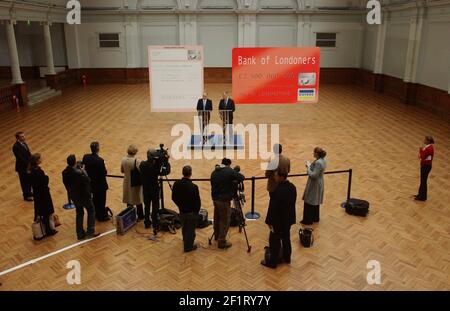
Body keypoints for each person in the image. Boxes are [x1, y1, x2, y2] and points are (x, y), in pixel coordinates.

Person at [261, 170, 296, 268]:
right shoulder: (293, 187)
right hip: (288, 219)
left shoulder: (277, 191)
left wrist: (268, 221)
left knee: (274, 241)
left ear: (281, 177)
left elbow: (272, 208)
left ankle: (272, 263)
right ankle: (287, 258)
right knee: (286, 239)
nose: (274, 178)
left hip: (277, 221)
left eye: (276, 176)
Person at [62, 155, 99, 240]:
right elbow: (88, 180)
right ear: (74, 162)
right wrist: (82, 170)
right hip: (84, 195)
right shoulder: (79, 173)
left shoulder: (64, 172)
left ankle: (79, 233)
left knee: (79, 213)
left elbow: (66, 184)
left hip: (74, 196)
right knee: (91, 210)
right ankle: (91, 231)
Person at [210, 158, 245, 249]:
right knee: (225, 220)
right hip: (224, 200)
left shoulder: (214, 172)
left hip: (215, 199)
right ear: (228, 165)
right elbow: (241, 177)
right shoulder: (228, 171)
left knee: (217, 218)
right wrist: (233, 173)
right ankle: (222, 242)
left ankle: (217, 235)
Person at [172, 165, 201, 252]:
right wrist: (196, 211)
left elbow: (173, 197)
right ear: (190, 174)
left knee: (184, 227)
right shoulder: (194, 187)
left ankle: (186, 241)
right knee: (191, 231)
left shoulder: (176, 184)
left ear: (182, 173)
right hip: (191, 212)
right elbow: (197, 202)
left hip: (182, 211)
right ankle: (188, 247)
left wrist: (180, 205)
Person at [29, 153, 57, 237]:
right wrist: (46, 177)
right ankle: (49, 230)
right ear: (37, 161)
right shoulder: (39, 171)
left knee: (42, 212)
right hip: (43, 194)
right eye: (40, 159)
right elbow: (44, 181)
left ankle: (46, 229)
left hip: (37, 194)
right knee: (46, 212)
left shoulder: (31, 171)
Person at [82, 142, 110, 221]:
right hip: (100, 185)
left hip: (91, 184)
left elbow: (84, 166)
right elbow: (104, 173)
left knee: (94, 199)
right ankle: (101, 216)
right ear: (98, 149)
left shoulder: (86, 157)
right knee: (101, 201)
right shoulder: (100, 160)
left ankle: (96, 214)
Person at [301, 147, 327, 225]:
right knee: (315, 200)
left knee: (309, 200)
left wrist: (308, 167)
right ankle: (315, 217)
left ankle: (308, 220)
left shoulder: (319, 162)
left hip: (314, 183)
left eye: (314, 152)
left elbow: (313, 175)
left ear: (317, 154)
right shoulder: (323, 160)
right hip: (319, 182)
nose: (313, 153)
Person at [121, 144, 144, 220]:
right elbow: (142, 171)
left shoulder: (123, 159)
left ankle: (130, 217)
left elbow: (122, 171)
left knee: (129, 199)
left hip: (127, 182)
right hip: (135, 183)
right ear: (135, 152)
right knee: (138, 200)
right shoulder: (137, 161)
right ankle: (140, 216)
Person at [139, 149, 160, 229]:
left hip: (146, 189)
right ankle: (155, 224)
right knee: (155, 207)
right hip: (154, 189)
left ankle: (147, 222)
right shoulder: (155, 167)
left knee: (147, 206)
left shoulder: (142, 164)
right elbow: (165, 171)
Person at [12, 131, 33, 201]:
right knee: (24, 182)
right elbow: (21, 158)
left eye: (24, 136)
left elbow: (28, 153)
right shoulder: (15, 147)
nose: (24, 137)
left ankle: (29, 193)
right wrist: (29, 164)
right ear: (17, 138)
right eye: (22, 136)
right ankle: (26, 196)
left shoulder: (24, 143)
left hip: (28, 166)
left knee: (29, 180)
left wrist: (32, 161)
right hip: (22, 167)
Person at [414, 136, 435, 201]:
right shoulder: (428, 147)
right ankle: (420, 194)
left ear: (428, 141)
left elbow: (423, 157)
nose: (424, 140)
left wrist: (420, 150)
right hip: (425, 165)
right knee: (422, 181)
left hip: (426, 166)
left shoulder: (429, 148)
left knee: (423, 182)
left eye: (425, 139)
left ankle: (422, 197)